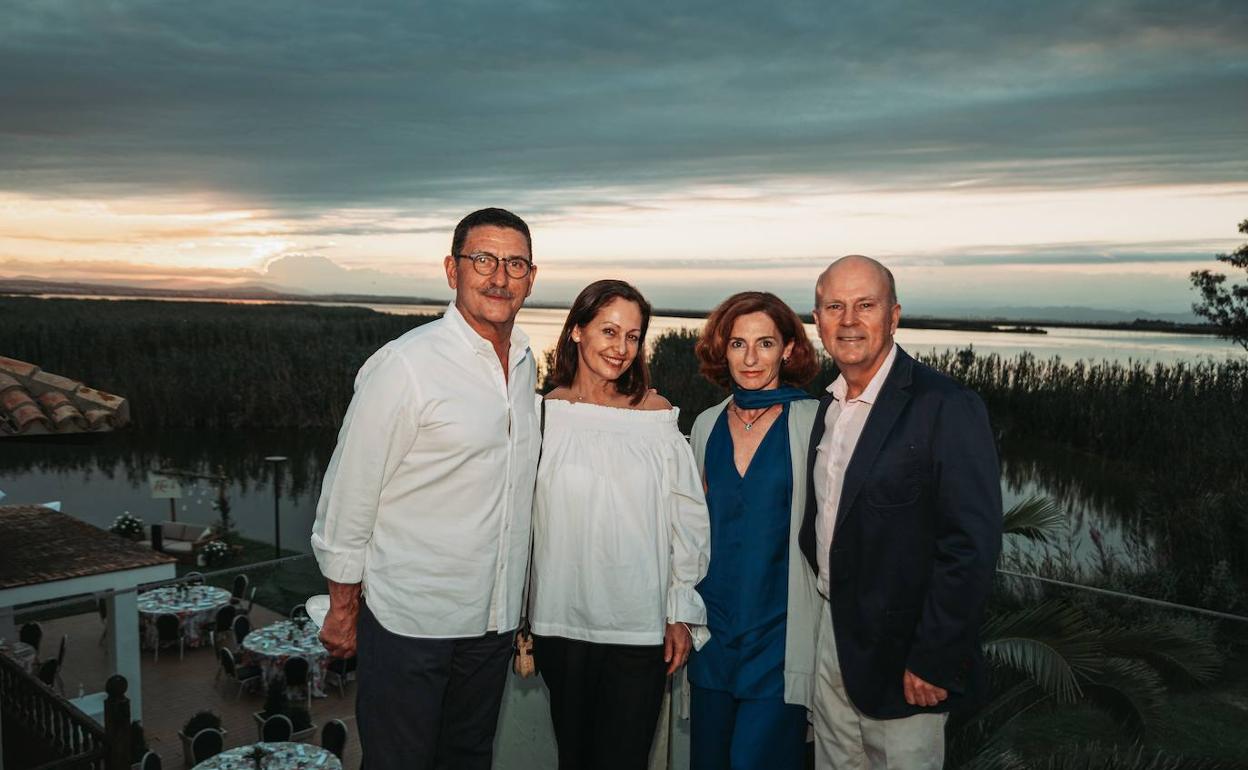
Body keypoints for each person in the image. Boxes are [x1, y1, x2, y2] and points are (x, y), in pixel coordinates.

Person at [311, 207, 540, 770]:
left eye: (515, 264)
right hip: (411, 620)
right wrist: (343, 607)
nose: (499, 277)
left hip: (491, 621)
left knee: (467, 758)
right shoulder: (405, 366)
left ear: (532, 278)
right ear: (451, 269)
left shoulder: (527, 365)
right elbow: (350, 491)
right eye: (483, 259)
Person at [798, 255, 1003, 769]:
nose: (848, 320)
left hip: (906, 657)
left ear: (894, 316)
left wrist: (934, 658)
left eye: (865, 305)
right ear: (817, 319)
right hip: (832, 637)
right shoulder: (828, 406)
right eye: (834, 306)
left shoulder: (945, 405)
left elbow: (970, 545)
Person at [530, 279, 711, 770]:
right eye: (609, 331)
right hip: (559, 620)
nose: (621, 348)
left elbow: (688, 522)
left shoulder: (655, 417)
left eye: (633, 336)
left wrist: (680, 610)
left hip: (639, 624)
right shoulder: (542, 416)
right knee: (575, 757)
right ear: (577, 332)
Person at [687, 292, 823, 770]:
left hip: (780, 635)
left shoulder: (814, 423)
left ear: (788, 349)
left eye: (764, 343)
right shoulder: (705, 425)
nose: (750, 358)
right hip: (712, 634)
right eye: (738, 344)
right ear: (722, 350)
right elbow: (692, 531)